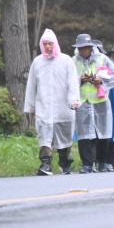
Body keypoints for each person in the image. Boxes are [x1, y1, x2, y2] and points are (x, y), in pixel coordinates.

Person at [24, 29, 80, 175]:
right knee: (44, 137)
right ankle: (46, 164)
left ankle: (65, 162)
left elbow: (73, 81)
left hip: (63, 107)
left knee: (64, 136)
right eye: (45, 44)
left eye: (50, 44)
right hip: (44, 107)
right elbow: (31, 86)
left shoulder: (66, 60)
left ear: (55, 44)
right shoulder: (37, 62)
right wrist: (32, 108)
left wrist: (73, 100)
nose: (48, 47)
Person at [71, 34, 114, 173]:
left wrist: (101, 82)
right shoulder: (73, 61)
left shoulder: (102, 59)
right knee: (84, 135)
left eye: (86, 48)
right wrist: (80, 80)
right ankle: (87, 164)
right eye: (81, 48)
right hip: (82, 102)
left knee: (103, 134)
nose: (83, 51)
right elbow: (67, 79)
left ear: (91, 47)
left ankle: (102, 162)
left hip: (100, 102)